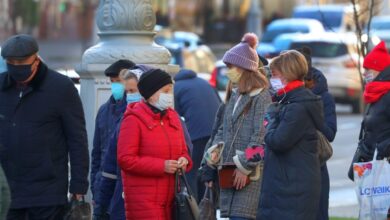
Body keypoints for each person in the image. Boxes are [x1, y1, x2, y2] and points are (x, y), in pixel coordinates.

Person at [0, 34, 89, 219]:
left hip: (47, 195)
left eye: (22, 62)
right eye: (11, 63)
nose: (17, 68)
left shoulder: (61, 88)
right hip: (6, 192)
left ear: (36, 60)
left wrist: (78, 187)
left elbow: (77, 139)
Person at [94, 66, 195, 220]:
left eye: (170, 91)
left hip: (171, 201)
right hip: (143, 203)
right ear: (151, 93)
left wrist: (184, 160)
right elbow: (125, 159)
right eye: (165, 91)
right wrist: (162, 166)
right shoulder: (133, 119)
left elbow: (184, 150)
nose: (169, 96)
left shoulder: (173, 117)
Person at [202, 33, 272, 220]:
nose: (228, 71)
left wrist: (244, 167)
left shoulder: (261, 96)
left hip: (249, 176)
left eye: (231, 67)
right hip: (228, 174)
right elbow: (224, 130)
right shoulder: (235, 95)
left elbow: (261, 138)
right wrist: (212, 155)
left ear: (244, 67)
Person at [258, 50, 324, 220]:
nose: (272, 80)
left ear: (287, 74)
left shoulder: (297, 106)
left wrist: (270, 120)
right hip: (285, 184)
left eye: (274, 75)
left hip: (292, 188)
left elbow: (278, 141)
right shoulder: (288, 101)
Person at [297, 47, 337, 220]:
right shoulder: (284, 97)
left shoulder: (323, 98)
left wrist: (311, 111)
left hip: (316, 166)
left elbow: (330, 133)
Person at [91, 59, 135, 206]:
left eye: (119, 81)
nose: (115, 85)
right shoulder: (104, 111)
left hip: (125, 187)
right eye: (112, 81)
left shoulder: (135, 110)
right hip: (103, 186)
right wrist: (94, 187)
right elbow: (96, 153)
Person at [174, 68, 221, 201]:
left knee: (191, 172)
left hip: (195, 134)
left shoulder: (176, 87)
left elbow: (174, 115)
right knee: (206, 170)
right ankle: (207, 206)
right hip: (216, 134)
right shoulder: (204, 82)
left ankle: (193, 209)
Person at [353, 41, 390, 166]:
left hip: (384, 164)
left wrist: (381, 150)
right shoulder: (375, 94)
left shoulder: (387, 95)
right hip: (373, 163)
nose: (364, 73)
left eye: (367, 69)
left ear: (379, 70)